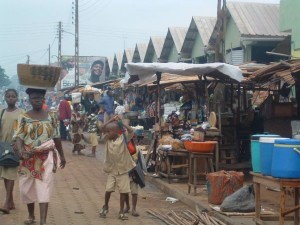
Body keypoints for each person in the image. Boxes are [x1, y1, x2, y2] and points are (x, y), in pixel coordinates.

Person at [14, 88, 66, 225]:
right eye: (34, 98)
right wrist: (20, 151)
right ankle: (31, 216)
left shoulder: (52, 116)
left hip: (46, 156)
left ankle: (43, 221)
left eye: (39, 97)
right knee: (26, 189)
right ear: (29, 100)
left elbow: (57, 137)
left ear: (43, 99)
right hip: (28, 157)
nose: (37, 99)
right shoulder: (23, 118)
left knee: (44, 187)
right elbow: (19, 136)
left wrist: (62, 155)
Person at [99, 116, 136, 220]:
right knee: (108, 190)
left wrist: (121, 123)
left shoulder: (123, 139)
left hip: (123, 171)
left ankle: (121, 211)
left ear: (115, 132)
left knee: (123, 191)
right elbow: (102, 128)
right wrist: (111, 120)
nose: (106, 133)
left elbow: (131, 130)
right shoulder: (107, 140)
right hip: (112, 171)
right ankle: (105, 206)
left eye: (108, 132)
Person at [0, 89, 25, 214]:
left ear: (17, 98)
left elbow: (25, 130)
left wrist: (19, 144)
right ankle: (11, 202)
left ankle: (6, 202)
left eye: (13, 96)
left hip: (14, 146)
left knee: (10, 173)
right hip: (2, 147)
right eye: (8, 96)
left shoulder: (21, 113)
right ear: (5, 97)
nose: (11, 98)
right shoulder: (1, 112)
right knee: (5, 173)